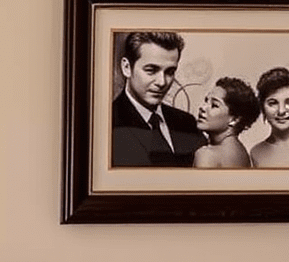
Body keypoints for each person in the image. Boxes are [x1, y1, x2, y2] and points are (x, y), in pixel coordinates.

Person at [111, 30, 205, 167]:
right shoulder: (106, 124)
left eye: (170, 72)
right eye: (151, 70)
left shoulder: (187, 123)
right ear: (127, 68)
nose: (162, 82)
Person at [192, 77, 260, 169]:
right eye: (206, 101)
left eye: (214, 105)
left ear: (234, 119)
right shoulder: (242, 154)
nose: (203, 108)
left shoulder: (206, 154)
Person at [249, 66, 289, 168]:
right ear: (262, 108)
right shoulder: (256, 153)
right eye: (273, 103)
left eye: (288, 102)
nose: (281, 111)